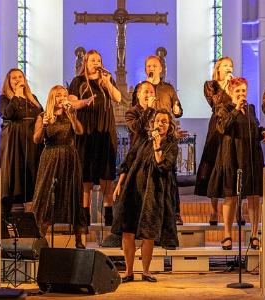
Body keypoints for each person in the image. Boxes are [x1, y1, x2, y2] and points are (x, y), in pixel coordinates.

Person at [112, 109, 179, 283]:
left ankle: (146, 271)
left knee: (148, 232)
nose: (160, 124)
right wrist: (119, 184)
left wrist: (157, 145)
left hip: (154, 192)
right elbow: (128, 161)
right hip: (133, 189)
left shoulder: (171, 144)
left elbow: (163, 166)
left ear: (169, 125)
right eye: (158, 121)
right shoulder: (143, 139)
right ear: (153, 123)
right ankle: (128, 271)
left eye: (164, 121)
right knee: (128, 231)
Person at [207, 77, 265, 250]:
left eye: (243, 90)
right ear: (231, 92)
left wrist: (262, 132)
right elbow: (222, 128)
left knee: (254, 197)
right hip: (231, 155)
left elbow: (253, 127)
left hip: (251, 156)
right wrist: (235, 109)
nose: (241, 94)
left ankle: (255, 235)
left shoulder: (250, 109)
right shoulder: (223, 108)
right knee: (231, 196)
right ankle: (227, 234)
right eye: (238, 91)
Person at [68, 50, 121, 226]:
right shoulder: (78, 81)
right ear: (86, 63)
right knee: (86, 177)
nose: (96, 63)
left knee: (106, 174)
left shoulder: (106, 80)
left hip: (105, 130)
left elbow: (118, 98)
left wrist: (107, 82)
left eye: (98, 60)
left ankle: (108, 218)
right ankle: (84, 218)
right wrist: (83, 102)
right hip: (87, 132)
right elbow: (71, 102)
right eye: (92, 60)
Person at [31, 86, 88, 248]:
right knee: (46, 194)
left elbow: (79, 131)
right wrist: (43, 124)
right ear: (52, 99)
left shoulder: (70, 114)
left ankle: (78, 239)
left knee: (73, 193)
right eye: (58, 96)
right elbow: (36, 139)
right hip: (50, 157)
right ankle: (40, 236)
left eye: (64, 95)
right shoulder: (43, 116)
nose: (62, 98)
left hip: (70, 157)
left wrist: (72, 116)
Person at [133, 55, 183, 225]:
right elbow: (136, 110)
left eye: (154, 65)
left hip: (166, 139)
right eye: (148, 65)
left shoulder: (168, 88)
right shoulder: (141, 88)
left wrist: (176, 110)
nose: (151, 68)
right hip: (147, 139)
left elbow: (178, 109)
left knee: (171, 176)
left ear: (160, 68)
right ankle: (145, 212)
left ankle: (175, 213)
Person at [0, 68, 43, 218]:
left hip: (31, 142)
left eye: (20, 77)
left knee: (31, 175)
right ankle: (6, 218)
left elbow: (41, 114)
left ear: (24, 79)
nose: (17, 80)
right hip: (14, 143)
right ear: (8, 82)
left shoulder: (33, 98)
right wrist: (16, 96)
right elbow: (7, 114)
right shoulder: (4, 98)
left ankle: (31, 218)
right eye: (13, 78)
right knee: (13, 176)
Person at [194, 57, 234, 226]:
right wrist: (225, 86)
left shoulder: (235, 84)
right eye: (225, 66)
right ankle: (213, 211)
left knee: (232, 164)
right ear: (218, 68)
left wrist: (232, 87)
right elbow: (215, 103)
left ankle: (236, 209)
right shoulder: (211, 85)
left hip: (232, 124)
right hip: (217, 126)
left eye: (230, 66)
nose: (228, 69)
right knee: (213, 164)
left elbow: (238, 102)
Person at [125, 81, 156, 146]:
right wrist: (148, 109)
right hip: (139, 152)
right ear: (138, 95)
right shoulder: (131, 112)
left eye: (152, 92)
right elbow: (137, 128)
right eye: (146, 92)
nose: (149, 95)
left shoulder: (157, 112)